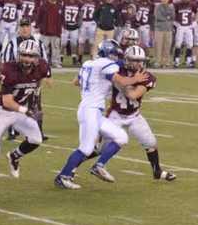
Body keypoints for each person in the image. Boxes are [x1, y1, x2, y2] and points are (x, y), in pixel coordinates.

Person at [54, 40, 148, 189]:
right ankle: (63, 176)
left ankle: (98, 165)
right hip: (90, 110)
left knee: (121, 137)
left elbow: (75, 82)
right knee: (86, 148)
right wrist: (136, 79)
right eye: (115, 54)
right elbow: (122, 81)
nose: (117, 57)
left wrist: (96, 84)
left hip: (93, 110)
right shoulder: (106, 63)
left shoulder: (87, 64)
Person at [80, 46, 176, 181]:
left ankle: (157, 171)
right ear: (126, 59)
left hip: (134, 115)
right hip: (115, 115)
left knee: (150, 143)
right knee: (101, 149)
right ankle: (73, 166)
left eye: (140, 60)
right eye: (134, 60)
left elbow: (133, 95)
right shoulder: (116, 68)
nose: (138, 64)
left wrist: (121, 84)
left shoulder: (147, 77)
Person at [0, 40, 49, 178]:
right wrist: (27, 111)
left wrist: (35, 104)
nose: (26, 59)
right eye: (24, 55)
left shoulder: (42, 66)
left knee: (36, 139)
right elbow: (7, 102)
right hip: (4, 112)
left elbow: (37, 84)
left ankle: (14, 156)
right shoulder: (8, 69)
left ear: (37, 58)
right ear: (18, 55)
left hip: (21, 110)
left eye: (30, 56)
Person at [36, 0, 62, 67]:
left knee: (56, 48)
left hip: (56, 31)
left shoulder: (60, 6)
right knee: (43, 48)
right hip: (45, 31)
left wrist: (61, 30)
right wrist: (38, 26)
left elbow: (62, 18)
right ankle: (43, 62)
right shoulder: (43, 6)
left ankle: (56, 62)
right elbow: (38, 17)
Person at [173, 0, 195, 68]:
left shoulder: (192, 5)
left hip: (188, 27)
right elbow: (173, 15)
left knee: (190, 44)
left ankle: (188, 61)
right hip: (180, 26)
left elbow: (196, 13)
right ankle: (176, 60)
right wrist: (176, 24)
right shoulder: (177, 5)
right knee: (178, 44)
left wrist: (193, 23)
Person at [153, 0, 174, 68]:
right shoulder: (157, 7)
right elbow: (158, 17)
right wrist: (167, 18)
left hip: (168, 29)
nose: (163, 0)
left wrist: (167, 18)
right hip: (159, 28)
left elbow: (172, 16)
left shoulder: (171, 7)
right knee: (158, 45)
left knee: (167, 46)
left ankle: (165, 61)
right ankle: (157, 61)